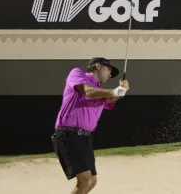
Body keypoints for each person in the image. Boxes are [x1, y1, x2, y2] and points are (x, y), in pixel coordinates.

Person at [52, 58, 129, 194]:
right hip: (69, 134)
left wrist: (121, 91)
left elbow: (110, 98)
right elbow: (88, 92)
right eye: (109, 70)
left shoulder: (99, 90)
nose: (110, 75)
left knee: (91, 180)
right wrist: (113, 92)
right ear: (98, 66)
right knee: (86, 180)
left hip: (85, 138)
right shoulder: (77, 74)